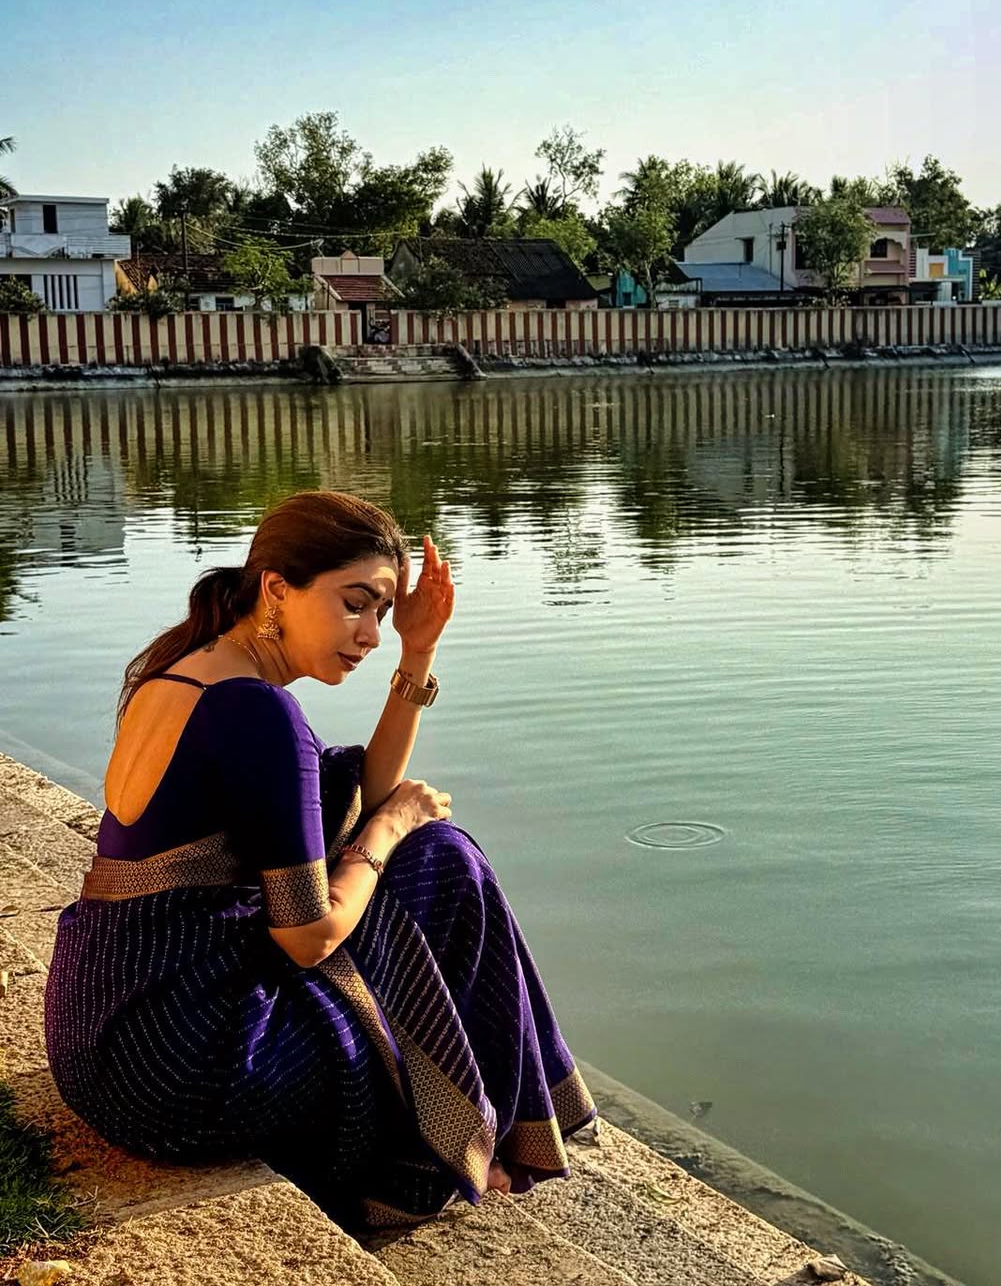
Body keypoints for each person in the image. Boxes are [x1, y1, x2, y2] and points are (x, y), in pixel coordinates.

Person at [44, 490, 595, 1228]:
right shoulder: (256, 711)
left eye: (382, 611)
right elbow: (310, 936)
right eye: (354, 604)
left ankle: (490, 1122)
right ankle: (477, 1138)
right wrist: (389, 831)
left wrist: (419, 651)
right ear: (277, 587)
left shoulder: (182, 669)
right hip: (179, 1069)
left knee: (427, 855)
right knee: (442, 860)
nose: (370, 633)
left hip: (102, 1039)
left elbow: (364, 794)